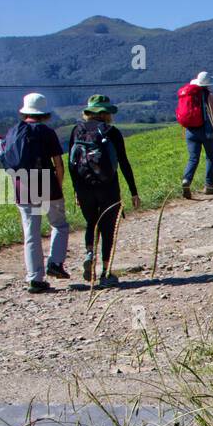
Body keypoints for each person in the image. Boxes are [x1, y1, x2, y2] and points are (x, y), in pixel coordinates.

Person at [68, 94, 141, 287]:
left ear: (88, 113)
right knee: (108, 228)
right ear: (107, 113)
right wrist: (133, 191)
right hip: (108, 187)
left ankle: (90, 254)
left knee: (91, 222)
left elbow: (72, 164)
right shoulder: (112, 132)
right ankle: (106, 273)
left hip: (84, 186)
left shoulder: (77, 130)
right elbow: (124, 163)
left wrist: (76, 190)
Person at [4, 92, 68, 293]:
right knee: (59, 225)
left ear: (25, 112)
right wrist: (58, 185)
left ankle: (35, 278)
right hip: (47, 184)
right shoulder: (47, 133)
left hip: (22, 188)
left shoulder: (13, 132)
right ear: (44, 113)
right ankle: (55, 263)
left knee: (31, 234)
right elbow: (58, 164)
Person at [178, 71, 213, 199]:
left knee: (193, 158)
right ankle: (209, 185)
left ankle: (186, 180)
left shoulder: (190, 95)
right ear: (209, 83)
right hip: (206, 131)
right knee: (210, 157)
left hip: (190, 131)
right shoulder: (209, 95)